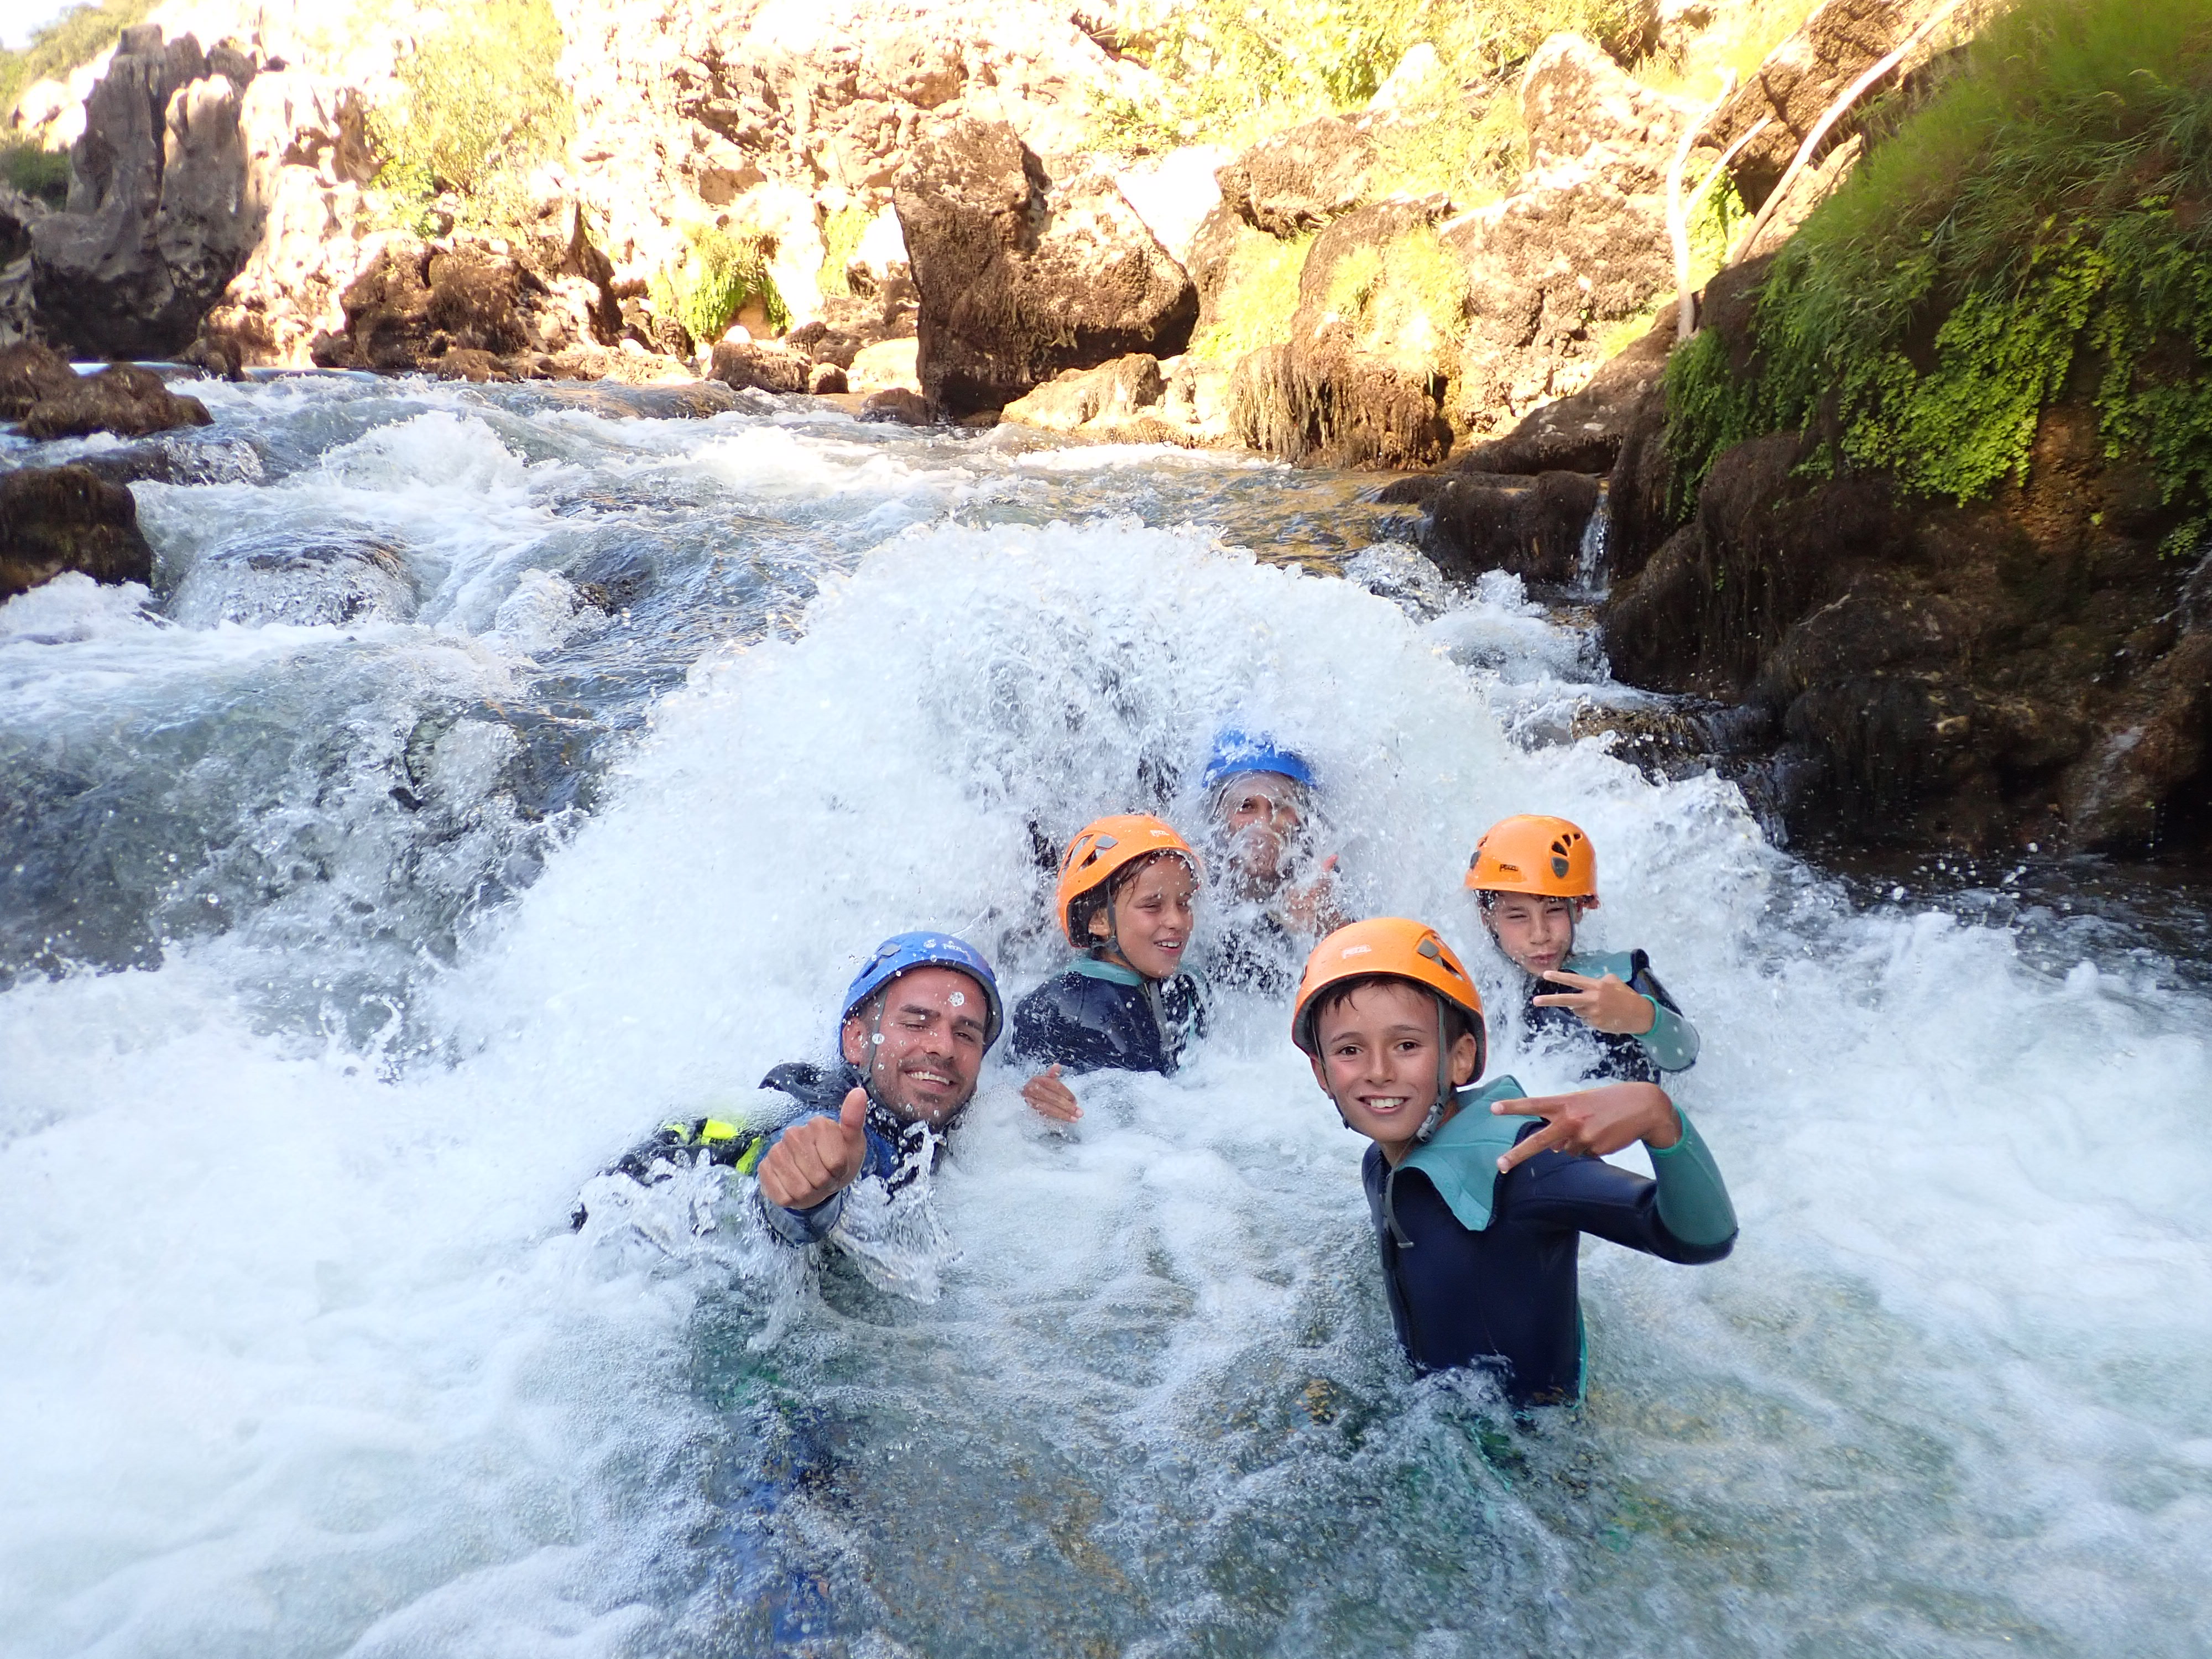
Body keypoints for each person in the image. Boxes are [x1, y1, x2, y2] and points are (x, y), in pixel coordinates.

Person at [1292, 917, 1737, 1407]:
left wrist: (1660, 1119)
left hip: (1535, 1444)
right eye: (1350, 1050)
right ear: (1321, 1072)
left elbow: (1701, 1241)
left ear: (1460, 1058)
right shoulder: (1379, 1164)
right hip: (1437, 1417)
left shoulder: (1522, 1165)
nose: (1379, 1072)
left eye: (1407, 1046)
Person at [575, 932, 1004, 1245]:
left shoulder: (976, 1134)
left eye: (966, 1034)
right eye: (916, 1023)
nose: (944, 1048)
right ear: (856, 1040)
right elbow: (799, 1162)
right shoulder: (835, 1122)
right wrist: (810, 1194)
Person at [1465, 813, 1698, 1085]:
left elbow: (1684, 1055)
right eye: (1518, 917)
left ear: (1577, 909)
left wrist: (1642, 1017)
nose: (1540, 935)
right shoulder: (1483, 991)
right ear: (1487, 918)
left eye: (1554, 911)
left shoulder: (1619, 976)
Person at [1014, 813, 1206, 1124]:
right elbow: (1009, 1105)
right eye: (1152, 906)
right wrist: (1038, 1106)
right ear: (1099, 919)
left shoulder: (1189, 987)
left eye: (1183, 903)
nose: (1176, 921)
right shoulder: (1060, 1007)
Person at [1199, 728, 1349, 995]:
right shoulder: (1193, 884)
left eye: (1281, 807)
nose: (1264, 824)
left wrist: (1329, 923)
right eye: (1246, 807)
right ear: (1219, 815)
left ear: (1302, 816)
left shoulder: (1323, 880)